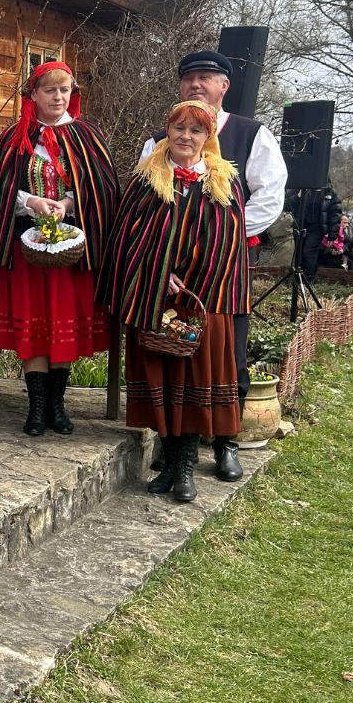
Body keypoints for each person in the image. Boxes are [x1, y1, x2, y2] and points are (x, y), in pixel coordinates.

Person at [140, 50, 287, 481]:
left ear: (225, 86)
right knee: (171, 349)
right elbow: (147, 202)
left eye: (207, 78)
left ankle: (226, 443)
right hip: (170, 269)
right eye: (189, 79)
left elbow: (269, 196)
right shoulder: (159, 140)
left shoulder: (250, 133)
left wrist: (222, 239)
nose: (197, 85)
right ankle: (173, 447)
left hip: (226, 264)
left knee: (228, 355)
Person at [101, 100, 247, 503]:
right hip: (155, 300)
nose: (186, 137)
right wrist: (158, 274)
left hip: (204, 301)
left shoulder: (222, 182)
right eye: (179, 128)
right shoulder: (146, 180)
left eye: (195, 131)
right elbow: (125, 237)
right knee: (162, 381)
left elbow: (228, 243)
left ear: (208, 137)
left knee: (193, 384)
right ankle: (168, 463)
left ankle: (184, 468)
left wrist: (191, 283)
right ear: (168, 130)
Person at [0, 61, 118, 436]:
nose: (59, 97)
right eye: (50, 91)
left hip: (71, 251)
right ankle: (36, 407)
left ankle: (58, 407)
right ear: (34, 95)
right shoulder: (15, 138)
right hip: (28, 248)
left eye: (65, 90)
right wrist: (33, 203)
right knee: (35, 324)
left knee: (62, 324)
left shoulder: (88, 136)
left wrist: (68, 205)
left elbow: (103, 189)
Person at [285, 185, 341, 279]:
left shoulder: (329, 192)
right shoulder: (297, 189)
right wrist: (297, 197)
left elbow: (335, 214)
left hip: (317, 229)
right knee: (298, 254)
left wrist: (332, 235)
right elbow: (286, 206)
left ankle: (308, 279)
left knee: (308, 253)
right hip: (299, 226)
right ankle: (297, 280)